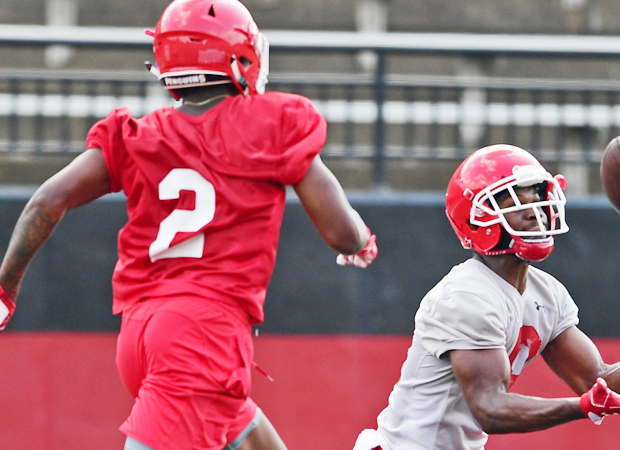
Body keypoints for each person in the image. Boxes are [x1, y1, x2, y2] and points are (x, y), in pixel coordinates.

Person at [0, 1, 378, 449]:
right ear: (240, 56)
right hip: (202, 337)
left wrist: (5, 288)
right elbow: (341, 231)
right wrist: (361, 240)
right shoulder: (269, 125)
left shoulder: (138, 134)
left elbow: (47, 199)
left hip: (140, 334)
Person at [352, 144, 620, 450]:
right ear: (477, 217)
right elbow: (489, 408)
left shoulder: (545, 294)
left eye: (538, 194)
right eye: (516, 199)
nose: (537, 210)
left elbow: (599, 381)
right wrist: (581, 408)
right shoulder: (465, 295)